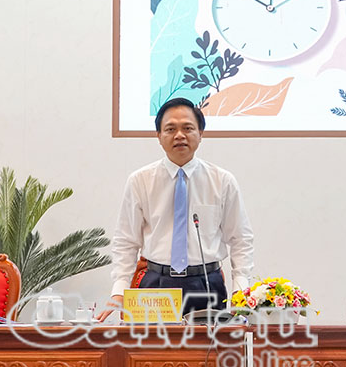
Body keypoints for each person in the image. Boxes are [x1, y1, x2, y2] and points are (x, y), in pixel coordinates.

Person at [97, 97, 254, 321]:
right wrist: (119, 290)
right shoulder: (140, 180)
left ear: (200, 133)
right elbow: (126, 240)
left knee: (207, 344)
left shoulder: (222, 181)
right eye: (170, 129)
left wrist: (241, 290)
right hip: (155, 284)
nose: (179, 135)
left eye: (187, 128)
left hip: (206, 283)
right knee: (149, 345)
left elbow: (240, 239)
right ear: (159, 136)